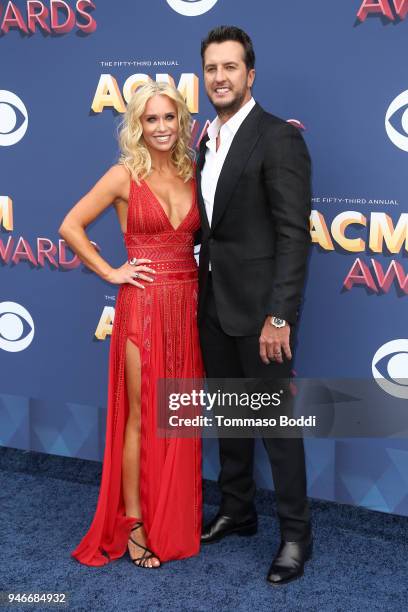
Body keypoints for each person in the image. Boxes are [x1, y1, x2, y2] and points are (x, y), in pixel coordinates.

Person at [59, 82, 203, 569]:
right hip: (142, 307)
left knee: (178, 414)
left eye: (169, 118)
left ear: (181, 121)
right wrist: (111, 271)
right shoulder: (124, 175)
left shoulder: (192, 171)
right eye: (151, 119)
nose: (161, 128)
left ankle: (172, 514)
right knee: (142, 415)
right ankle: (136, 523)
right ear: (137, 126)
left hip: (188, 306)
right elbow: (70, 225)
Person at [196, 26, 313, 586]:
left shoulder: (277, 137)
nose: (220, 77)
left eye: (230, 67)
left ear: (251, 74)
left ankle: (296, 536)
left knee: (275, 426)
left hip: (263, 313)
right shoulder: (206, 139)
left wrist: (279, 314)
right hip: (214, 305)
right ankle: (236, 510)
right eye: (211, 68)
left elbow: (295, 235)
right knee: (230, 419)